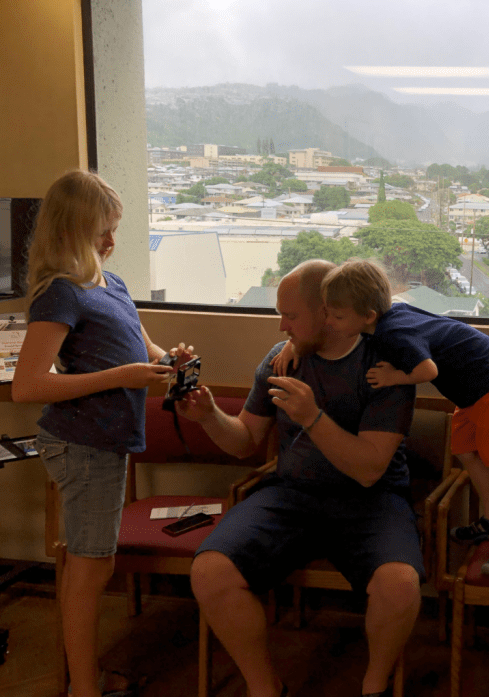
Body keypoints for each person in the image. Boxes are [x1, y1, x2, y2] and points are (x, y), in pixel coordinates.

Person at [179, 259, 422, 697]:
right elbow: (246, 441)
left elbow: (369, 469)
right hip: (293, 496)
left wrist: (311, 417)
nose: (281, 327)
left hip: (370, 500)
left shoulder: (386, 367)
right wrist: (209, 415)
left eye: (290, 316)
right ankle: (263, 687)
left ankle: (374, 684)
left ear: (327, 311)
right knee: (211, 571)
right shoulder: (280, 361)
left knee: (400, 585)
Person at [12, 170, 188, 697]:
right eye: (100, 233)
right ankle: (84, 688)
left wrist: (169, 362)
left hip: (106, 442)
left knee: (96, 565)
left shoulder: (110, 284)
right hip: (83, 444)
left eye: (114, 230)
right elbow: (27, 386)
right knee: (89, 570)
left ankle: (84, 681)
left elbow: (142, 346)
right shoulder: (59, 295)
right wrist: (124, 378)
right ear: (69, 233)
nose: (112, 243)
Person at [305, 258, 489, 579]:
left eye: (338, 316)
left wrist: (393, 377)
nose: (329, 321)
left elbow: (428, 370)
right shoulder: (385, 318)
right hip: (469, 388)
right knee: (466, 451)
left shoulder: (392, 334)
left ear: (368, 316)